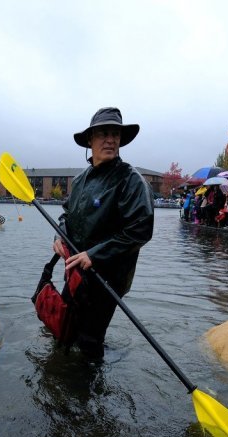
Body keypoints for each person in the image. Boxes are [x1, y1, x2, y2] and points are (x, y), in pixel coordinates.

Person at [53, 107, 154, 359]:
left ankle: (88, 393)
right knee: (63, 331)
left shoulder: (131, 180)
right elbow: (66, 216)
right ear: (90, 139)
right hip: (74, 271)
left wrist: (95, 255)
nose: (110, 140)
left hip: (105, 278)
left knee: (89, 343)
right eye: (103, 134)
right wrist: (58, 236)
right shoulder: (80, 180)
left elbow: (140, 229)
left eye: (115, 134)